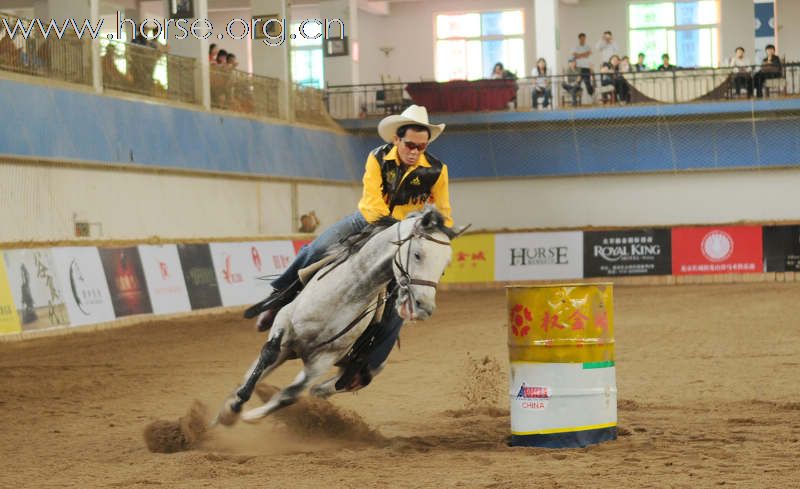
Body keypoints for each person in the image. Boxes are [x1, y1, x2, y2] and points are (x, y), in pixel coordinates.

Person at [246, 105, 454, 390]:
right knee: (314, 250)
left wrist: (440, 234)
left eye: (422, 146)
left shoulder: (437, 170)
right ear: (397, 139)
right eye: (410, 145)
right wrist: (397, 229)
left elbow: (442, 211)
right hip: (366, 222)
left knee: (397, 309)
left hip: (403, 239)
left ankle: (364, 367)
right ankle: (277, 300)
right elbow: (373, 204)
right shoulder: (377, 158)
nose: (415, 151)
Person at [572, 33, 594, 98]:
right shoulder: (576, 47)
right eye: (581, 39)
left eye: (584, 38)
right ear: (579, 39)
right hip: (578, 68)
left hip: (586, 67)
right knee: (578, 83)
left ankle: (592, 97)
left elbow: (588, 54)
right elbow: (575, 55)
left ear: (585, 39)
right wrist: (584, 54)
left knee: (588, 83)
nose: (583, 40)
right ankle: (576, 98)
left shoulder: (588, 46)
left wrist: (579, 55)